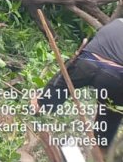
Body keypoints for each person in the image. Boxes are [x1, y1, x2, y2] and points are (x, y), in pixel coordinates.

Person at [33, 18, 123, 151]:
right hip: (114, 75)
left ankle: (35, 109)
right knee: (110, 117)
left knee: (54, 90)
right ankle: (100, 152)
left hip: (86, 63)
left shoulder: (117, 22)